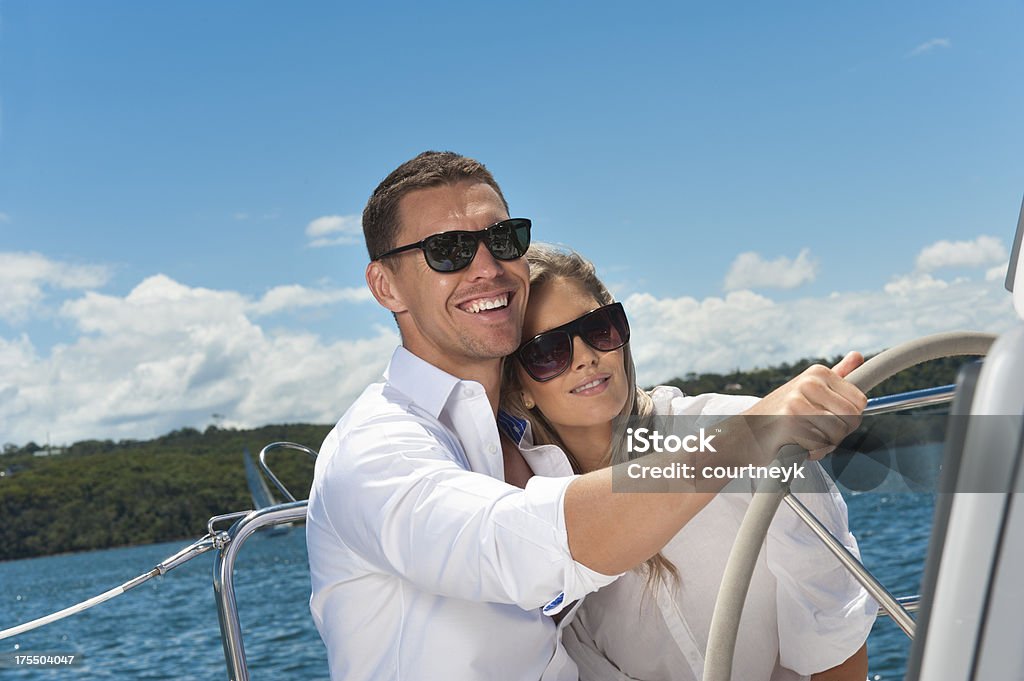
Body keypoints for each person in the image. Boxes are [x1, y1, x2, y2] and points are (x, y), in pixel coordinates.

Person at [305, 150, 868, 681]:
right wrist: (747, 440)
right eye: (448, 251)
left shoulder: (525, 449)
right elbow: (521, 545)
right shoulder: (375, 450)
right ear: (385, 285)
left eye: (503, 239)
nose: (488, 267)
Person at [500, 244, 876, 681]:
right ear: (520, 387)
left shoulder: (750, 429)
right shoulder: (537, 514)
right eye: (548, 352)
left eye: (598, 329)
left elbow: (832, 623)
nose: (586, 356)